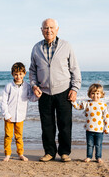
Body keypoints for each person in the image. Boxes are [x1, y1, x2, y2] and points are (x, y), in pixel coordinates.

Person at [29, 18, 82, 162]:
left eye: (51, 27)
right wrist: (34, 85)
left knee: (65, 124)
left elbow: (75, 69)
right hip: (44, 93)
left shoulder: (66, 46)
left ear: (57, 29)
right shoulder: (36, 48)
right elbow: (32, 71)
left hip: (64, 91)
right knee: (47, 126)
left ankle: (64, 153)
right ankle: (50, 152)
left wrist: (75, 88)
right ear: (41, 30)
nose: (49, 30)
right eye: (46, 28)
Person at [1, 62, 39, 162]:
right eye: (16, 74)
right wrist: (6, 114)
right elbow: (4, 101)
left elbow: (31, 97)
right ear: (12, 74)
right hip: (9, 116)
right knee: (8, 136)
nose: (18, 76)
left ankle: (20, 153)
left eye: (20, 74)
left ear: (24, 73)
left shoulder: (27, 86)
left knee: (19, 136)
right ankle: (7, 154)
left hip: (20, 116)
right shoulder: (9, 86)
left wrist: (37, 96)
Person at [72, 83, 109, 163]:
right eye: (93, 93)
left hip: (99, 130)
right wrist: (74, 102)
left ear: (101, 94)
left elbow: (106, 118)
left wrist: (107, 128)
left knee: (98, 145)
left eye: (97, 93)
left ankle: (98, 157)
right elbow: (78, 107)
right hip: (89, 129)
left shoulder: (103, 105)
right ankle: (89, 156)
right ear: (89, 94)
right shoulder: (87, 103)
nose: (95, 95)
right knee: (89, 144)